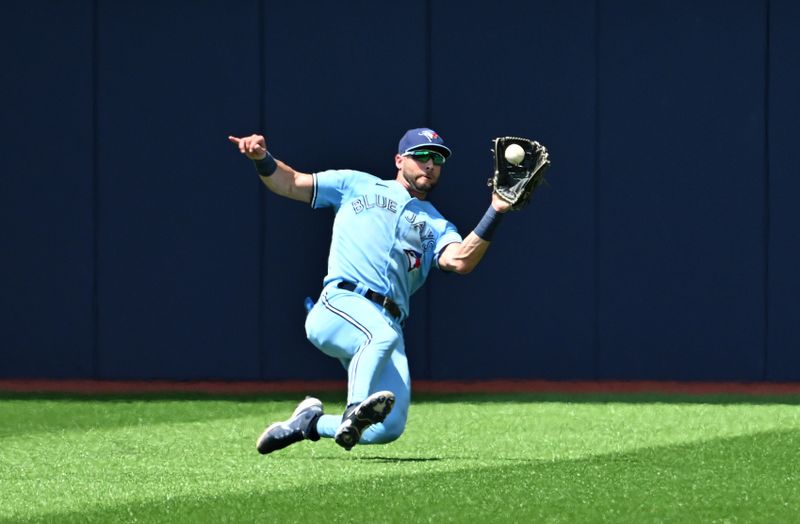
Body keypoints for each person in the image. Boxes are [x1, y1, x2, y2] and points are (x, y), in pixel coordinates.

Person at [228, 128, 511, 453]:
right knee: (379, 337)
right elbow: (290, 183)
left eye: (437, 159)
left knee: (389, 426)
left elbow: (460, 261)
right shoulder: (356, 184)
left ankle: (309, 423)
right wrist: (262, 158)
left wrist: (497, 210)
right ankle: (354, 410)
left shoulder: (435, 222)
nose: (429, 164)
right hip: (341, 304)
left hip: (388, 324)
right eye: (421, 156)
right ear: (399, 159)